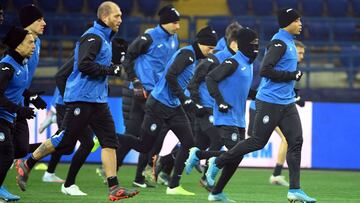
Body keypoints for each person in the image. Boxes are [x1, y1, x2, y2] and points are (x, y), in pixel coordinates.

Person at [15, 1, 139, 201]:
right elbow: (83, 65)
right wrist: (110, 70)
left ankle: (114, 187)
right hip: (81, 98)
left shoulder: (105, 38)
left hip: (98, 100)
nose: (120, 20)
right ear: (105, 17)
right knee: (64, 139)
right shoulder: (93, 36)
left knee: (109, 142)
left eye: (121, 16)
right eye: (117, 16)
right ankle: (27, 163)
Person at [205, 8, 316, 203]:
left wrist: (293, 92)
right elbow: (265, 70)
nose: (300, 24)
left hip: (286, 102)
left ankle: (295, 190)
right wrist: (292, 75)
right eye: (297, 20)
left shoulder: (289, 42)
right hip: (269, 102)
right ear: (288, 22)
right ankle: (218, 160)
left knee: (296, 140)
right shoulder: (279, 42)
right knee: (257, 141)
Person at [118, 26, 217, 195]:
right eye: (210, 47)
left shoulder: (191, 56)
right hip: (158, 104)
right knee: (143, 146)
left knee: (188, 143)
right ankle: (107, 136)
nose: (211, 51)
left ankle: (173, 185)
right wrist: (185, 99)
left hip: (173, 106)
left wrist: (186, 102)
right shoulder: (187, 55)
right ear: (201, 43)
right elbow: (170, 76)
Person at [185, 27, 259, 201]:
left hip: (239, 119)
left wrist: (262, 96)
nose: (256, 46)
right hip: (226, 116)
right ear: (243, 44)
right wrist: (220, 102)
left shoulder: (249, 64)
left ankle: (214, 187)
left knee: (237, 156)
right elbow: (211, 78)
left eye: (257, 43)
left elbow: (244, 90)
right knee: (235, 152)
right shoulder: (232, 62)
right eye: (253, 43)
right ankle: (210, 163)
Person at [115, 4, 180, 188]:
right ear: (165, 23)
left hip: (159, 94)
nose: (178, 26)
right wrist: (135, 80)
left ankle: (134, 174)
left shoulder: (175, 38)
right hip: (143, 93)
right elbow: (128, 57)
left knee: (144, 135)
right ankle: (126, 171)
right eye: (175, 23)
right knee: (146, 134)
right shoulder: (149, 37)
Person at [0, 26, 36, 202]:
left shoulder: (23, 63)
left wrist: (31, 96)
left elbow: (17, 87)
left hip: (8, 118)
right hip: (1, 117)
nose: (33, 46)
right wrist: (18, 109)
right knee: (6, 155)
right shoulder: (6, 66)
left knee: (19, 149)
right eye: (30, 42)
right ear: (17, 45)